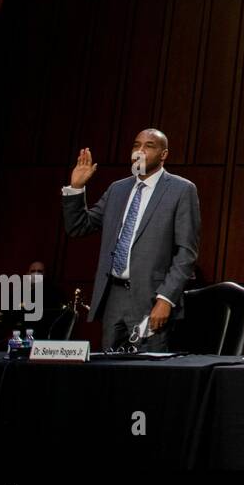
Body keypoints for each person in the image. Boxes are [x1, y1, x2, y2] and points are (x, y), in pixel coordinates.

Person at [62, 129, 200, 352]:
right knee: (110, 370)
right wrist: (76, 187)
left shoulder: (181, 190)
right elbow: (79, 227)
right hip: (114, 296)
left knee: (146, 373)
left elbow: (186, 252)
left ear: (163, 154)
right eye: (136, 146)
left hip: (152, 297)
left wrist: (166, 299)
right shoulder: (118, 189)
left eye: (149, 146)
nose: (140, 151)